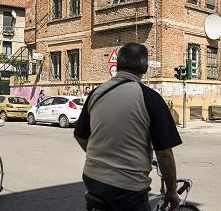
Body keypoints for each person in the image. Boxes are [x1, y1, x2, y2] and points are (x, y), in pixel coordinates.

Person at [74, 43, 182, 211]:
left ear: (118, 65)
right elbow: (164, 153)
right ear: (145, 67)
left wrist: (101, 157)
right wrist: (172, 191)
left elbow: (80, 136)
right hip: (128, 187)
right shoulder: (151, 98)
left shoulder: (97, 93)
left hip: (92, 178)